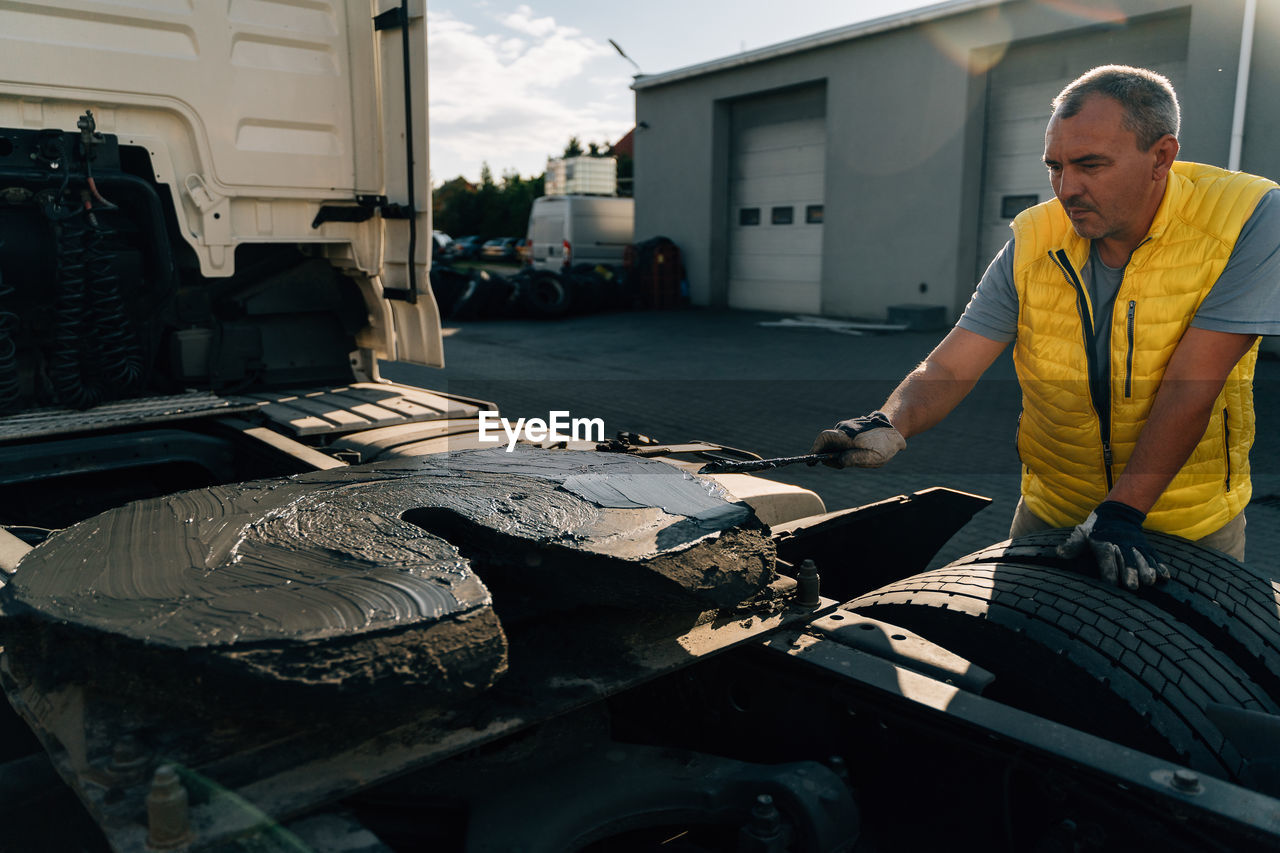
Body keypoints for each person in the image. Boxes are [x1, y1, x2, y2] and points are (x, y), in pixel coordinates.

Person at [811, 65, 1280, 589]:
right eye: (1054, 166)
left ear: (1161, 157)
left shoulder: (1247, 217)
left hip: (1188, 522)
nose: (1066, 188)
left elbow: (1192, 387)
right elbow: (952, 362)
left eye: (1091, 165)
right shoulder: (1035, 238)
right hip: (1050, 510)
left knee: (1187, 668)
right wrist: (889, 420)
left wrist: (1123, 511)